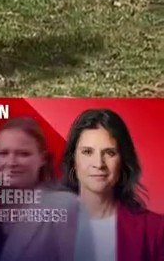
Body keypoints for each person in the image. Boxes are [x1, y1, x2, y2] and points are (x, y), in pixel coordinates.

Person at [0, 117, 92, 261]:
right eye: (3, 153)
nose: (11, 162)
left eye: (23, 154)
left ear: (43, 159)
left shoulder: (66, 205)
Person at [61, 108, 164, 261]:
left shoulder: (155, 230)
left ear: (123, 161)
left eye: (109, 153)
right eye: (87, 152)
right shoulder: (44, 228)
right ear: (73, 161)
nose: (98, 164)